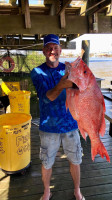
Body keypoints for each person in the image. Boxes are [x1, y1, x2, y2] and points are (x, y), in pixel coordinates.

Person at [31, 34, 85, 200]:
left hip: (71, 124)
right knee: (47, 162)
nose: (52, 50)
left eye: (55, 47)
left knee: (75, 160)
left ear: (60, 50)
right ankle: (47, 191)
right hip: (49, 127)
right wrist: (63, 83)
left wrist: (80, 82)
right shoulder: (37, 72)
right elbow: (49, 97)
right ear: (44, 51)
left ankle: (77, 190)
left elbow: (82, 89)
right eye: (48, 47)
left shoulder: (68, 68)